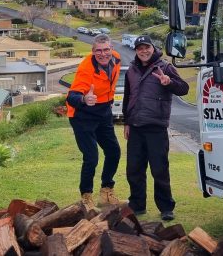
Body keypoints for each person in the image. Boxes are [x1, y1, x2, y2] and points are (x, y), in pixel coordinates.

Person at [122, 35, 189, 221]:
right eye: (139, 48)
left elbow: (183, 89)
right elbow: (128, 98)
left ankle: (166, 207)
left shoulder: (165, 67)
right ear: (136, 50)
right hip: (135, 127)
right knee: (134, 169)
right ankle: (137, 205)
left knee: (159, 169)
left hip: (156, 128)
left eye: (147, 47)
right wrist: (127, 122)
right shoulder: (132, 71)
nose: (143, 51)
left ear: (153, 48)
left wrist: (169, 82)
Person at [66, 34, 123, 209]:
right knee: (91, 157)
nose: (103, 54)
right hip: (82, 115)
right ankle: (86, 197)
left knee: (114, 151)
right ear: (93, 52)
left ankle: (106, 192)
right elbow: (72, 96)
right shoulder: (86, 68)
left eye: (106, 49)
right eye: (98, 50)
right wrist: (84, 99)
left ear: (111, 48)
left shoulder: (117, 60)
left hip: (103, 111)